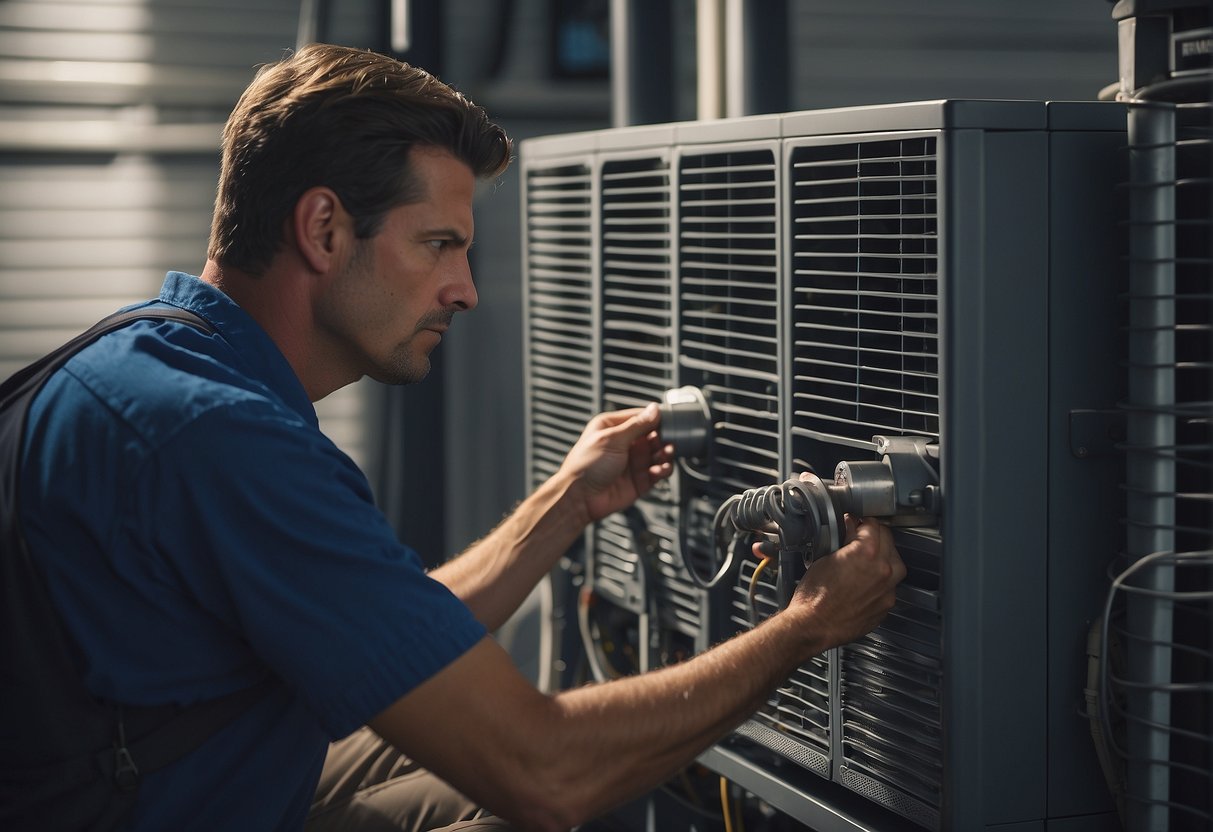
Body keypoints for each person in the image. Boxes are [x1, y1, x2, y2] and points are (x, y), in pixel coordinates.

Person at [16, 43, 904, 831]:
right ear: (324, 229)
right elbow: (545, 772)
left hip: (183, 780)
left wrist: (565, 505)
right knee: (543, 792)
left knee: (471, 742)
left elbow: (395, 638)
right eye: (438, 244)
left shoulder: (146, 362)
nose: (466, 290)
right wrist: (807, 626)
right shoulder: (221, 441)